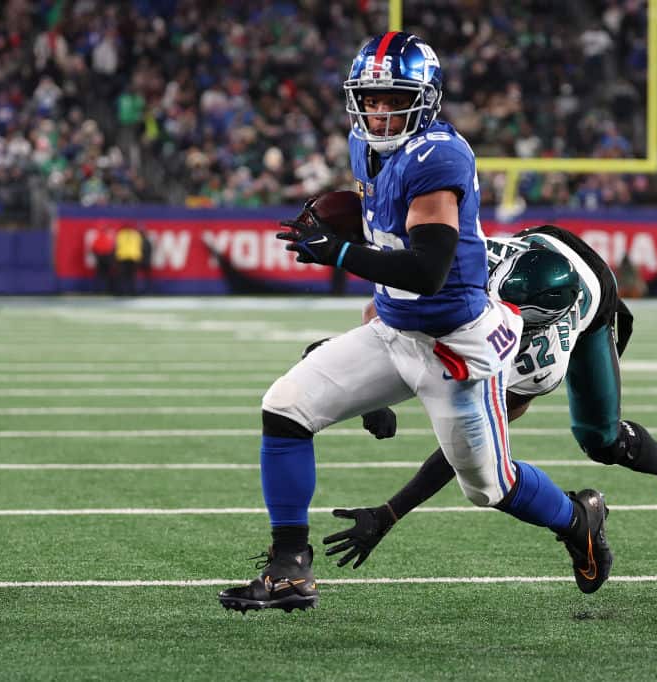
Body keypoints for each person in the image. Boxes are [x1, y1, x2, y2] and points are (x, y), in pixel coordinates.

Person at [218, 33, 611, 613]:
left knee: (489, 487)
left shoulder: (439, 157)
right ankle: (289, 569)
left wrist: (340, 253)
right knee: (286, 406)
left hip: (454, 344)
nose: (378, 112)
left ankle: (578, 520)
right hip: (395, 331)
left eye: (391, 98)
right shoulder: (364, 145)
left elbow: (428, 269)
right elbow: (384, 232)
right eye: (369, 98)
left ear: (424, 98)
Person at [321, 225, 657, 571]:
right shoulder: (467, 264)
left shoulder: (543, 357)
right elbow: (382, 309)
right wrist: (371, 396)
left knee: (601, 439)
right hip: (541, 247)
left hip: (593, 291)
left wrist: (390, 513)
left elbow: (474, 442)